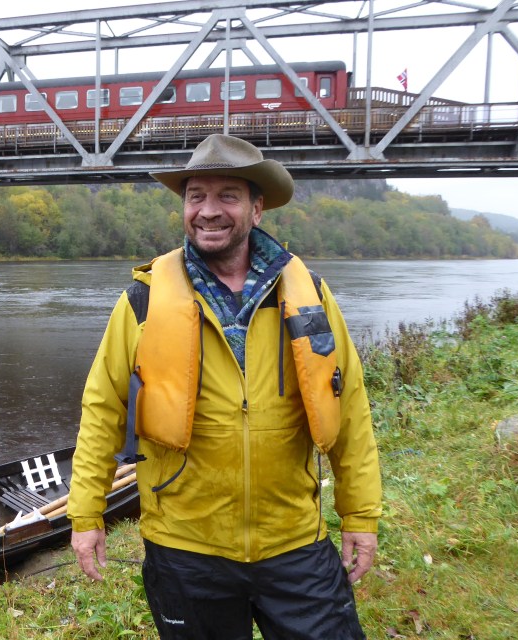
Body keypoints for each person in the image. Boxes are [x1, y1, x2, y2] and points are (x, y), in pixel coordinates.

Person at [67, 133, 382, 639]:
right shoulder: (142, 303)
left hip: (294, 541)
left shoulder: (311, 296)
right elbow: (103, 410)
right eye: (196, 196)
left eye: (227, 196)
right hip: (185, 550)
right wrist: (86, 513)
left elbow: (351, 409)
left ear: (257, 209)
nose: (208, 211)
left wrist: (360, 514)